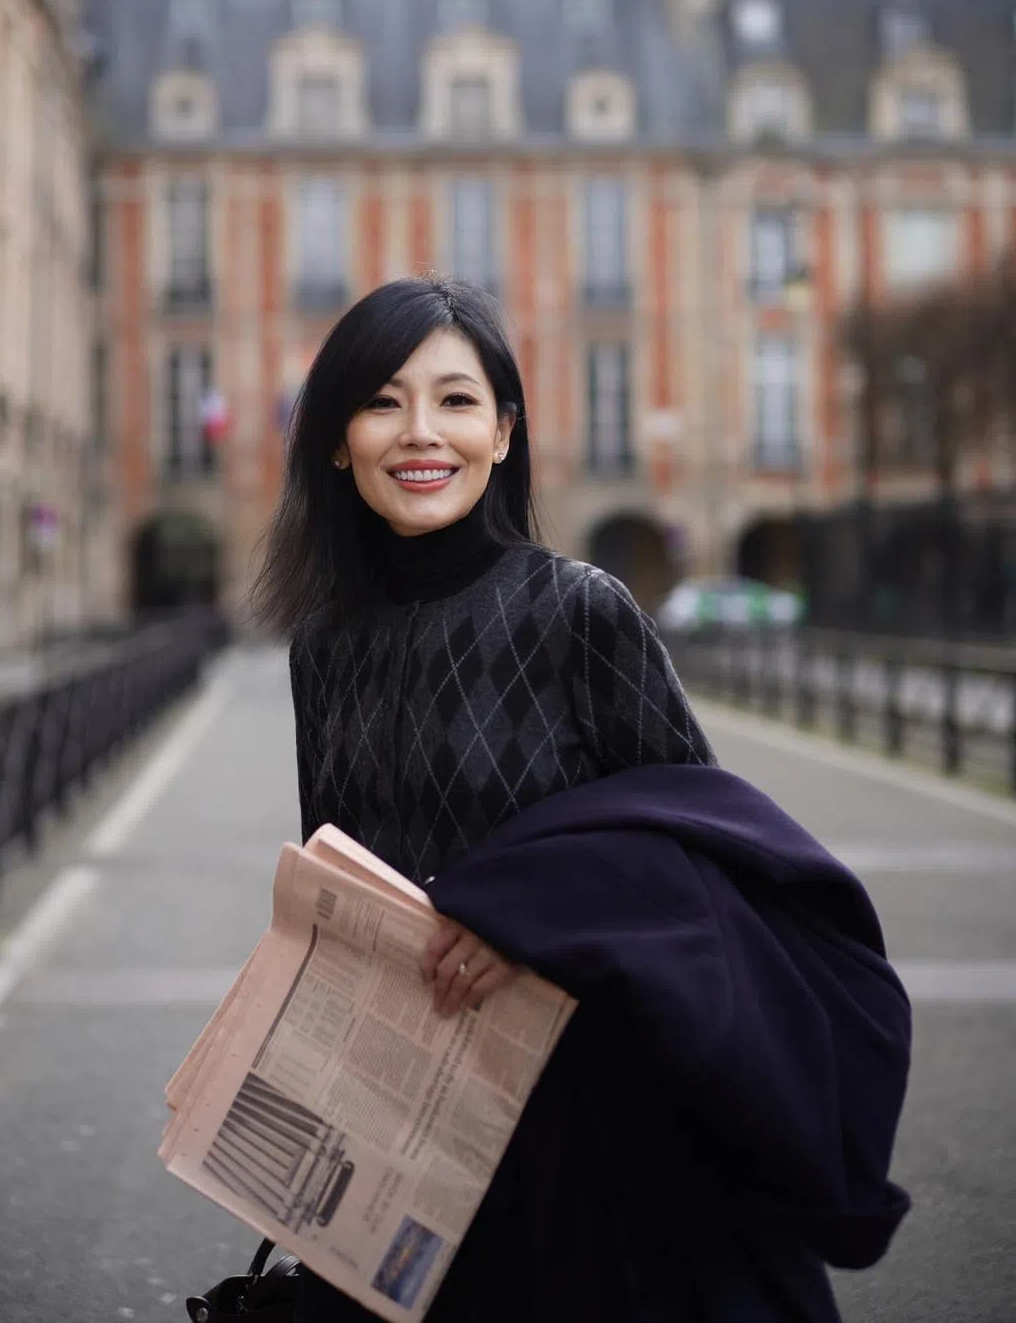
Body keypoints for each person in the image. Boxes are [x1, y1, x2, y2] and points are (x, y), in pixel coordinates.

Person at [251, 275, 909, 1322]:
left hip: (583, 1113)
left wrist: (527, 918)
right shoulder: (325, 644)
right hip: (407, 1116)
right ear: (337, 442)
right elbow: (345, 873)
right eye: (382, 402)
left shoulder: (577, 611)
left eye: (457, 401)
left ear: (503, 433)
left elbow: (706, 849)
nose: (421, 432)